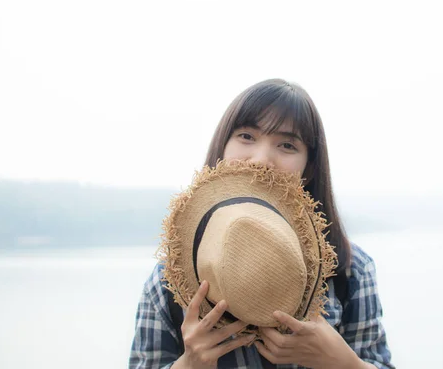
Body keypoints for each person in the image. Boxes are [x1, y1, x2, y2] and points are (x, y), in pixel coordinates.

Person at [129, 79, 395, 369]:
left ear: (310, 167)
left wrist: (343, 363)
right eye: (246, 136)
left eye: (286, 145)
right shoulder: (168, 282)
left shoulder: (351, 271)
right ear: (222, 148)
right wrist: (190, 364)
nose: (261, 160)